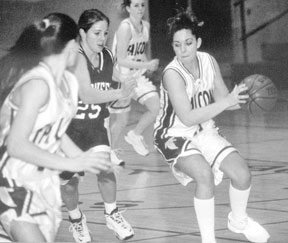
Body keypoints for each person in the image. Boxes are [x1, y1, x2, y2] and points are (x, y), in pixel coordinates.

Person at [154, 11, 270, 243]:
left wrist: (242, 99)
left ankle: (238, 222)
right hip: (174, 134)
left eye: (188, 43)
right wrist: (226, 102)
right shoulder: (172, 74)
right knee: (204, 175)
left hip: (204, 128)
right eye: (177, 45)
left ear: (198, 42)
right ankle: (209, 240)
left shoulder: (208, 60)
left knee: (242, 174)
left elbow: (223, 99)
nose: (183, 49)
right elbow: (187, 117)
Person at [0, 13, 111, 243]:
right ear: (72, 45)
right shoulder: (38, 84)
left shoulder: (68, 83)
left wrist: (84, 158)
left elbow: (55, 131)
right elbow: (16, 145)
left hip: (41, 183)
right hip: (11, 182)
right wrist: (71, 163)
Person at [59, 9, 135, 243]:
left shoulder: (108, 56)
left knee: (106, 169)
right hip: (68, 130)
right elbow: (88, 94)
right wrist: (120, 92)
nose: (102, 38)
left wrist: (130, 85)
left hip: (94, 126)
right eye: (96, 33)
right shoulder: (77, 57)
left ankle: (112, 214)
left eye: (105, 33)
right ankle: (76, 220)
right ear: (82, 33)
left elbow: (113, 81)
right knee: (69, 185)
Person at [109, 0, 160, 159]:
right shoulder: (125, 28)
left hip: (136, 76)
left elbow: (138, 52)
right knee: (121, 120)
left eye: (142, 5)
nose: (140, 9)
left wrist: (148, 65)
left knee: (156, 107)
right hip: (121, 77)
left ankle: (135, 134)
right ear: (128, 8)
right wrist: (146, 64)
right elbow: (121, 59)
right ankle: (109, 151)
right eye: (136, 5)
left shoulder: (146, 26)